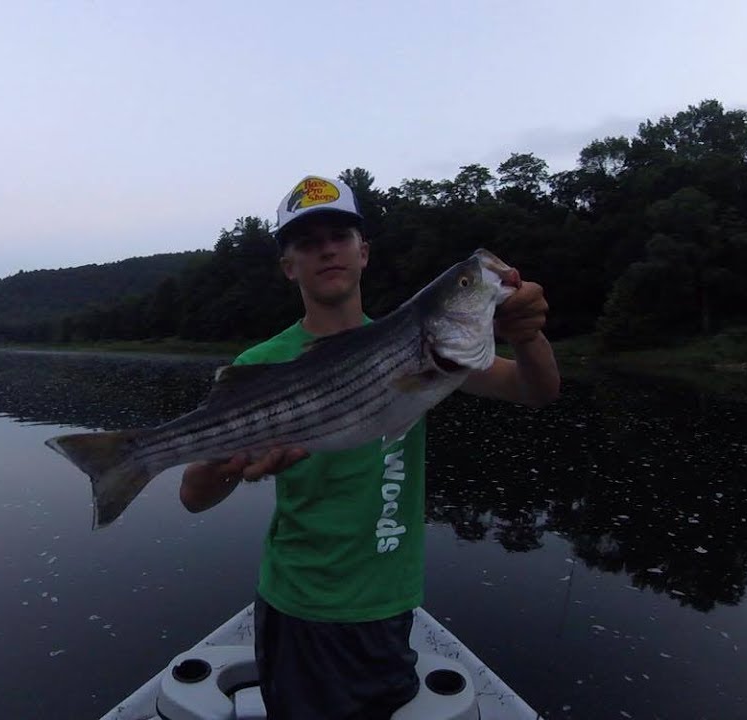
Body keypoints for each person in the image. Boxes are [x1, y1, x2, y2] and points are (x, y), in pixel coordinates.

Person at [179, 175, 560, 719]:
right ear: (289, 265)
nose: (327, 249)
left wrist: (527, 334)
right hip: (302, 604)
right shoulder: (259, 364)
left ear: (364, 252)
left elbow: (537, 391)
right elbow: (194, 495)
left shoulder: (427, 346)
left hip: (389, 597)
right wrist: (235, 465)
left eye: (340, 235)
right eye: (308, 242)